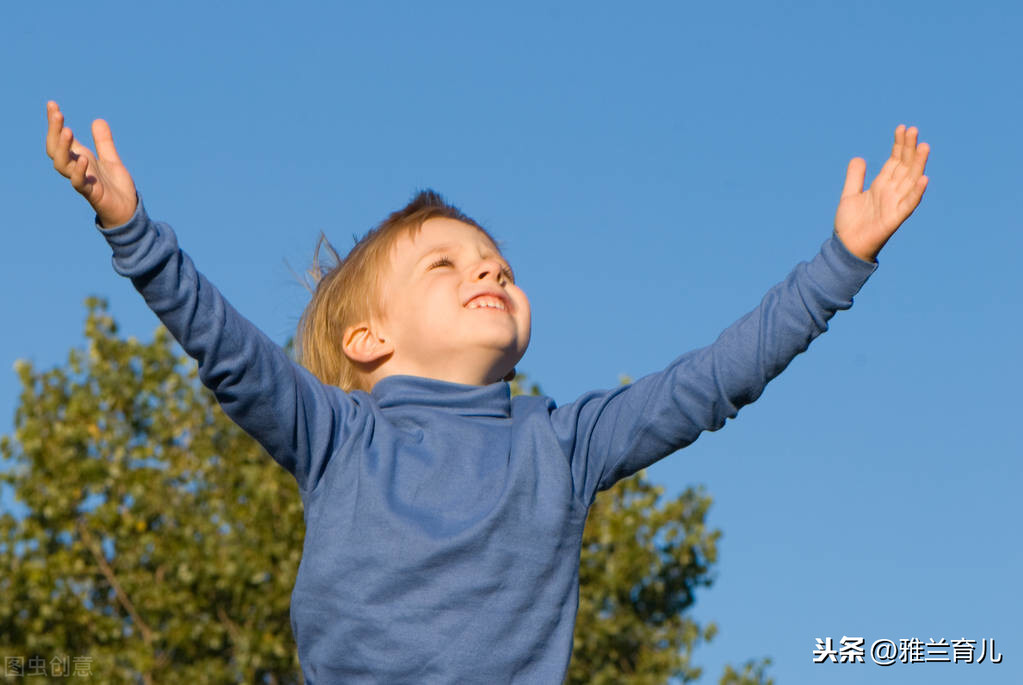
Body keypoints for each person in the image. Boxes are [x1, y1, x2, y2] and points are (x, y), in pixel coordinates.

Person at [44, 100, 929, 683]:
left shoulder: (562, 444)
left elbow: (710, 382)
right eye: (446, 262)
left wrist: (839, 263)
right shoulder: (336, 437)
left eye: (496, 261)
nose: (489, 268)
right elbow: (226, 348)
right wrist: (131, 228)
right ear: (368, 340)